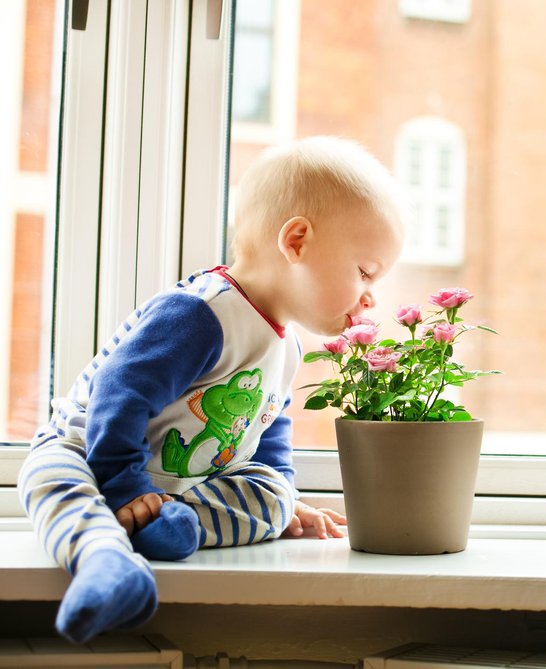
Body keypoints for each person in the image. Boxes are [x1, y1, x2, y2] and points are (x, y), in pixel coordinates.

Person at [17, 136, 406, 643]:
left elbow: (267, 433)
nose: (370, 296)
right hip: (94, 453)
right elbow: (119, 392)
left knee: (271, 496)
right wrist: (122, 483)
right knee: (50, 479)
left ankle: (174, 527)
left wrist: (286, 500)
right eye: (364, 272)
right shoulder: (202, 313)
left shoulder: (283, 347)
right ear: (297, 241)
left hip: (173, 488)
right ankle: (103, 560)